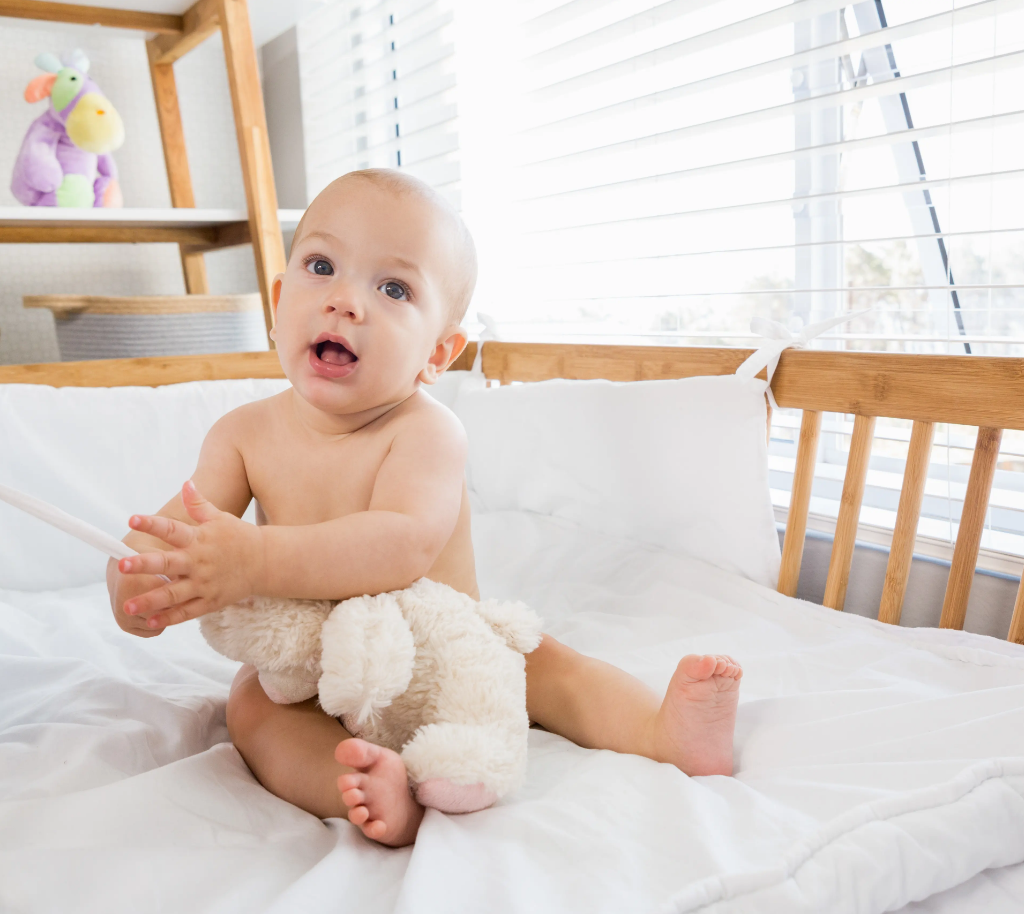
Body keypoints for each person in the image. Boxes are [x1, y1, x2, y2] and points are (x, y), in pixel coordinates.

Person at [106, 169, 742, 848]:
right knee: (252, 707)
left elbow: (398, 545)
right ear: (279, 299)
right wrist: (141, 585)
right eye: (322, 266)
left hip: (440, 663)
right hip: (317, 674)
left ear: (437, 352)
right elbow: (174, 539)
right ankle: (365, 787)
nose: (345, 301)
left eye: (394, 289)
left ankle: (660, 730)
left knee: (544, 663)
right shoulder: (240, 435)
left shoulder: (425, 432)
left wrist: (252, 560)